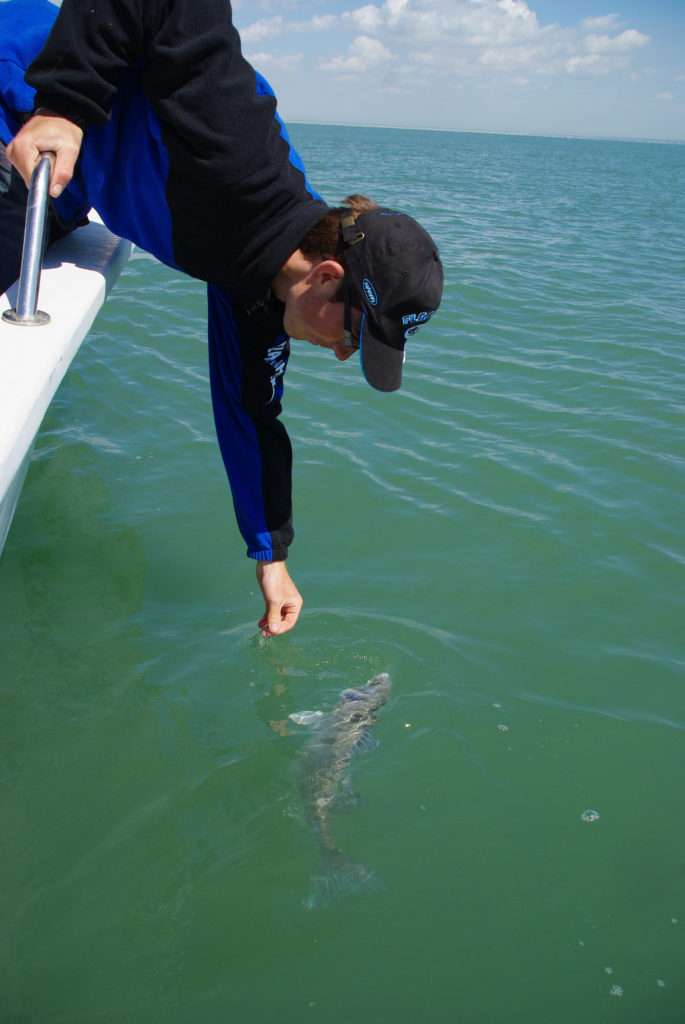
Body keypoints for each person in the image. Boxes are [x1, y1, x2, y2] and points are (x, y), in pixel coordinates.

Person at [0, 0, 443, 638]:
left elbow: (252, 413)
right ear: (326, 277)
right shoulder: (240, 148)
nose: (346, 354)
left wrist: (272, 557)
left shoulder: (264, 283)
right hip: (21, 85)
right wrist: (65, 105)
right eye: (353, 334)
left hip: (76, 177)